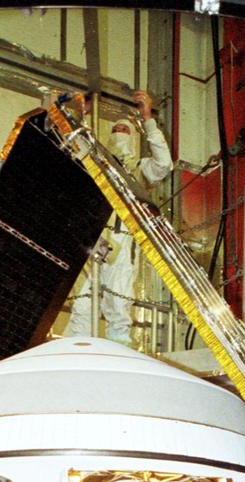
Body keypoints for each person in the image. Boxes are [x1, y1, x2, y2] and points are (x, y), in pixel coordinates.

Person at [67, 89, 173, 345]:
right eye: (116, 131)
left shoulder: (140, 169)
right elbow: (71, 146)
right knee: (82, 299)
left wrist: (148, 119)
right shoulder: (94, 163)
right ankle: (76, 349)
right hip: (93, 234)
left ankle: (119, 350)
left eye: (125, 131)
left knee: (119, 301)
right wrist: (81, 114)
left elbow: (164, 164)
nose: (120, 135)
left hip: (123, 239)